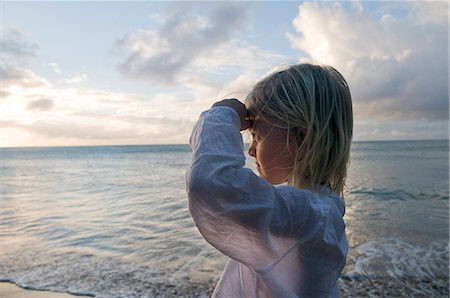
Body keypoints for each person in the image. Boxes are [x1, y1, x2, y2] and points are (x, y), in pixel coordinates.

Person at [186, 63, 353, 297]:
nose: (251, 151)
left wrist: (221, 115)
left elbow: (212, 186)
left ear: (302, 140)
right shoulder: (310, 211)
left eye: (258, 136)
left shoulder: (311, 215)